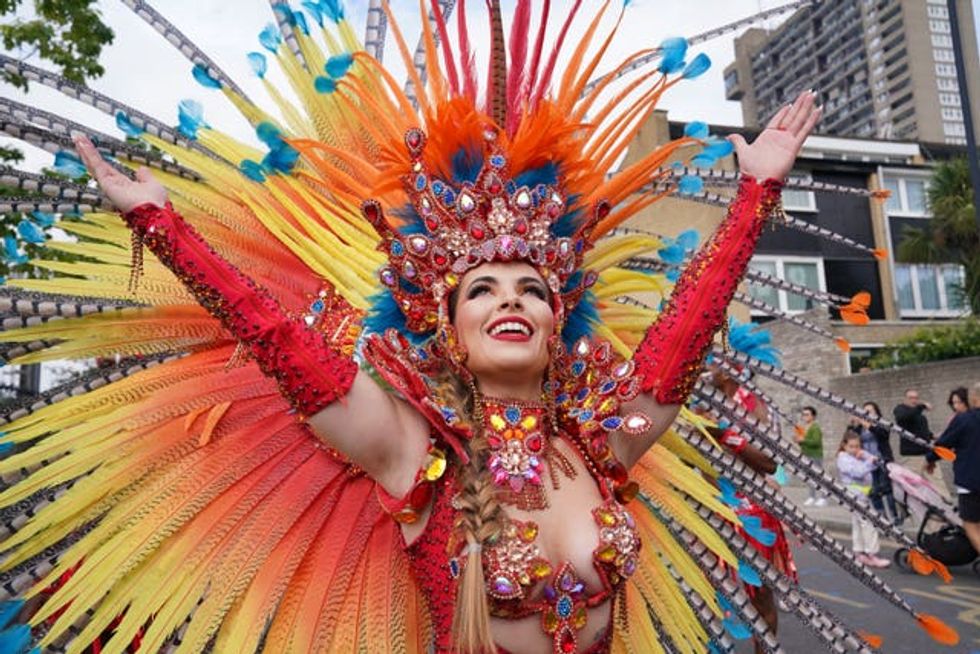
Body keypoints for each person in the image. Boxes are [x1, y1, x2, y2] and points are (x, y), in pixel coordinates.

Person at [63, 35, 822, 654]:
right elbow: (280, 344)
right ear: (448, 330)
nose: (511, 301)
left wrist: (756, 194)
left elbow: (676, 350)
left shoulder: (600, 442)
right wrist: (164, 229)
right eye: (483, 291)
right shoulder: (415, 452)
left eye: (531, 289)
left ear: (559, 322)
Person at [709, 369, 796, 654]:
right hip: (705, 506)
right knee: (700, 595)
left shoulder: (752, 405)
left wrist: (727, 437)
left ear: (729, 370)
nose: (705, 367)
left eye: (712, 362)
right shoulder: (695, 400)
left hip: (749, 513)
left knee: (759, 596)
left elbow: (770, 463)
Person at [926, 382, 980, 557]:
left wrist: (930, 460)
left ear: (973, 398)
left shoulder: (964, 419)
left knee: (971, 525)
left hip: (970, 482)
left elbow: (943, 444)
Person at [836, 430, 891, 568]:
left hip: (861, 493)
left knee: (859, 522)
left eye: (857, 446)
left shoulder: (857, 456)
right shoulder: (843, 459)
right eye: (852, 446)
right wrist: (869, 461)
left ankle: (859, 551)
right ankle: (872, 554)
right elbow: (858, 472)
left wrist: (866, 456)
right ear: (844, 445)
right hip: (854, 493)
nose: (855, 449)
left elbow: (876, 460)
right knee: (869, 523)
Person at [860, 401, 900, 523]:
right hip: (868, 462)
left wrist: (869, 426)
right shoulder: (861, 427)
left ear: (876, 412)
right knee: (873, 491)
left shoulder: (882, 424)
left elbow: (883, 435)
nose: (867, 413)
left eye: (870, 411)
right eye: (865, 411)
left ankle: (894, 516)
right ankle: (882, 516)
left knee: (886, 489)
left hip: (882, 459)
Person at [797, 406, 827, 506]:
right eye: (803, 414)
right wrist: (798, 441)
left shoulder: (815, 427)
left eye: (807, 414)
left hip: (815, 455)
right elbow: (804, 442)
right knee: (809, 477)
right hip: (806, 455)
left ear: (813, 416)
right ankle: (812, 497)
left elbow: (816, 442)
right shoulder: (804, 427)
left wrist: (803, 440)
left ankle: (823, 498)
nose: (804, 416)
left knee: (818, 476)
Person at [894, 388, 934, 456]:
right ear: (905, 399)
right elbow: (904, 417)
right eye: (911, 398)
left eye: (916, 398)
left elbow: (920, 431)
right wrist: (922, 406)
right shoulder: (900, 409)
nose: (914, 400)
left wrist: (933, 436)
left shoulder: (919, 415)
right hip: (912, 454)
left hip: (926, 452)